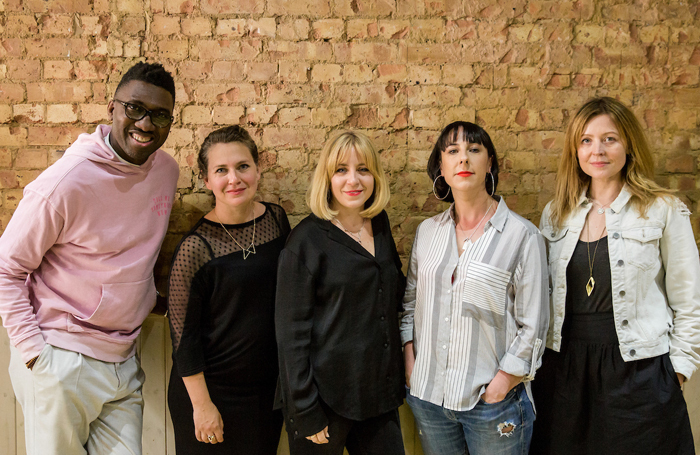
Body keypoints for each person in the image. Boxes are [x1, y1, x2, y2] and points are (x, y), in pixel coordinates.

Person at [0, 62, 178, 455]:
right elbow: (5, 269)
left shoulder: (166, 170)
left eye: (160, 115)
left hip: (125, 360)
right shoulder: (66, 182)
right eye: (135, 108)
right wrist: (34, 355)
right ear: (111, 107)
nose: (146, 124)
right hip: (61, 356)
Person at [531, 97, 700, 455]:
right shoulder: (555, 213)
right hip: (566, 371)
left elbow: (690, 300)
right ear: (575, 150)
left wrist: (678, 372)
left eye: (610, 138)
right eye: (586, 140)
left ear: (629, 145)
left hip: (640, 374)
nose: (598, 150)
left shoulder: (663, 209)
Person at [400, 121, 549, 455]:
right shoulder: (428, 232)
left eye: (474, 150)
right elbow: (410, 304)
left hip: (491, 405)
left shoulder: (522, 236)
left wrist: (501, 385)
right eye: (453, 151)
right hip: (429, 398)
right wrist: (411, 363)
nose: (463, 159)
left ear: (490, 163)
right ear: (441, 165)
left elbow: (535, 324)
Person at [275, 131, 406, 455]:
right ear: (327, 178)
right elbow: (291, 338)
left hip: (377, 394)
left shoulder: (379, 224)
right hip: (323, 400)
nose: (354, 180)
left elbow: (392, 291)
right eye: (341, 170)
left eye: (363, 169)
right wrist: (306, 411)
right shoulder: (305, 242)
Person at [166, 125, 289, 454]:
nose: (234, 178)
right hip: (210, 393)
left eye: (242, 166)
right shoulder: (195, 248)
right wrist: (203, 407)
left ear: (258, 170)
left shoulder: (276, 221)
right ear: (207, 180)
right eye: (221, 170)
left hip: (265, 394)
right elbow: (183, 342)